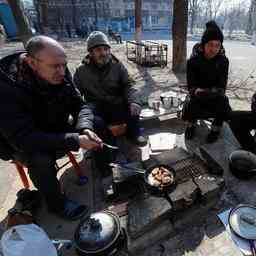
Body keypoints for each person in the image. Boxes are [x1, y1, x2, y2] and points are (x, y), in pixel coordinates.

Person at [0, 36, 103, 220]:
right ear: (32, 63)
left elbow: (80, 105)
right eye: (56, 66)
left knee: (96, 120)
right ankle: (58, 205)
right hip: (22, 142)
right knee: (40, 161)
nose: (62, 71)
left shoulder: (59, 70)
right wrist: (75, 140)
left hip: (54, 125)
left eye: (64, 65)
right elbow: (24, 139)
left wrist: (85, 129)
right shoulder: (6, 88)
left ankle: (104, 167)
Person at [73, 31, 147, 173]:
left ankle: (135, 133)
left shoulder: (117, 65)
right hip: (96, 106)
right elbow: (75, 94)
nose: (104, 53)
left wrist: (134, 101)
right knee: (96, 122)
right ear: (91, 52)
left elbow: (129, 85)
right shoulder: (81, 71)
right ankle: (109, 147)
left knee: (132, 103)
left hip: (116, 103)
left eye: (106, 49)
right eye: (99, 50)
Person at [182, 21, 232, 143]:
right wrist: (196, 91)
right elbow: (191, 85)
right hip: (197, 94)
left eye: (217, 45)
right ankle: (191, 125)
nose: (214, 49)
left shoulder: (223, 61)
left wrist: (210, 92)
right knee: (191, 103)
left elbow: (222, 86)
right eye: (210, 44)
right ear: (203, 45)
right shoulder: (193, 61)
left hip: (215, 95)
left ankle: (216, 128)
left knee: (224, 101)